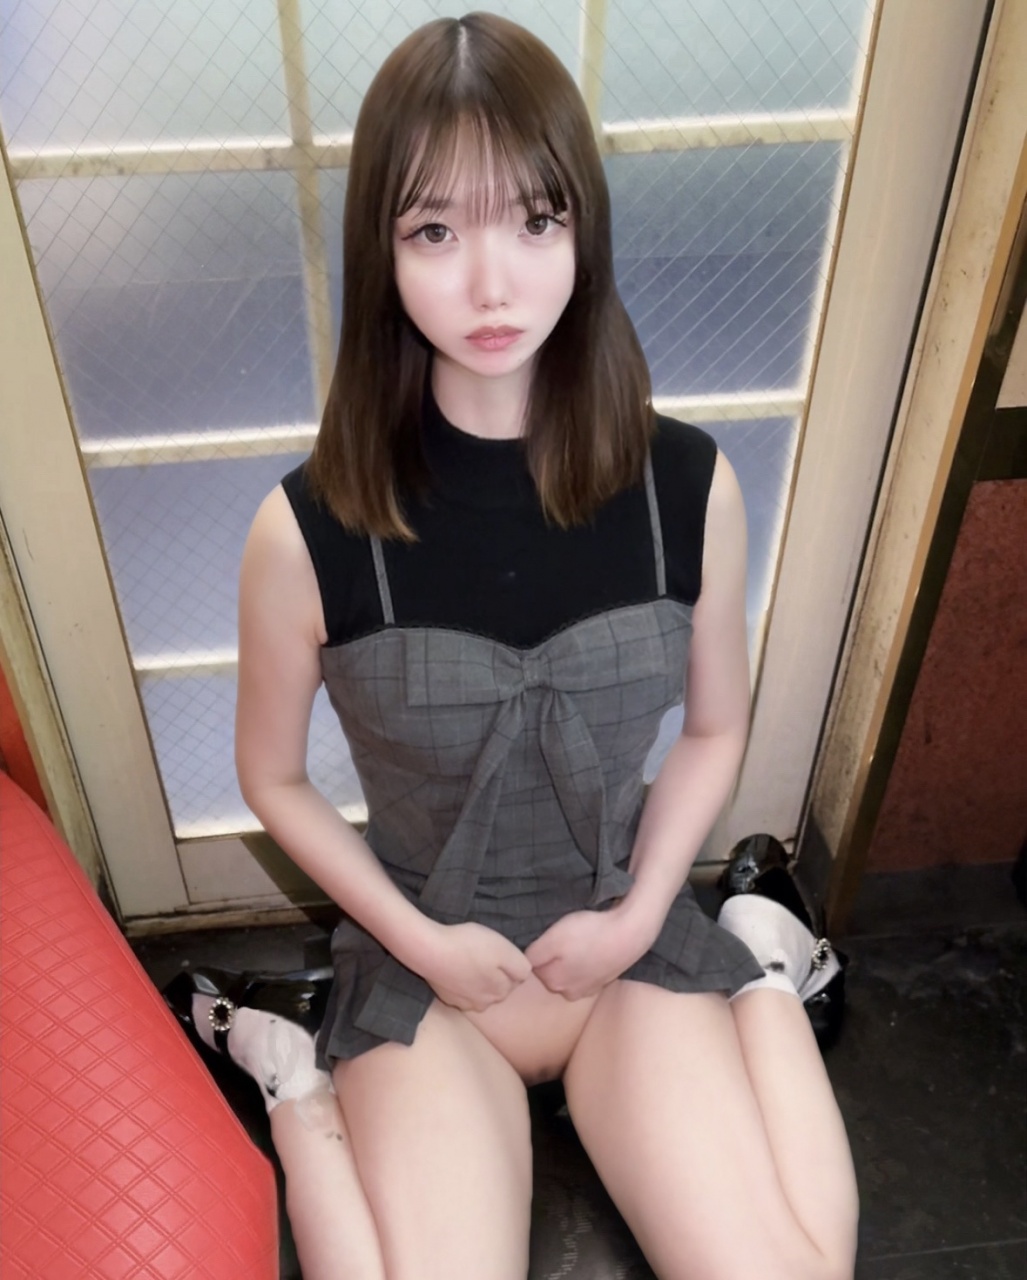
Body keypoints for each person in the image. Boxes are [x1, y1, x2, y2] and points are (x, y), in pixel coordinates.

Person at [167, 13, 858, 1279]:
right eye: (436, 231)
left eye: (535, 221)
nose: (492, 286)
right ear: (380, 247)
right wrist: (422, 940)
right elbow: (271, 775)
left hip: (623, 943)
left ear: (583, 229)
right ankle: (292, 1074)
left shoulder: (687, 485)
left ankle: (759, 958)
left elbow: (715, 727)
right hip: (428, 964)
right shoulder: (307, 527)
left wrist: (639, 911)